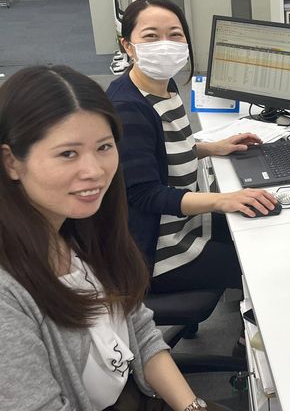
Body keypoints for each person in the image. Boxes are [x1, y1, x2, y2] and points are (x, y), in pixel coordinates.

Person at [0, 66, 221, 410]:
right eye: (68, 153)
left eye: (104, 147)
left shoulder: (84, 229)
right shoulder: (8, 294)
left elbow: (141, 331)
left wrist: (193, 407)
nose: (95, 171)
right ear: (12, 162)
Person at [106, 0, 277, 294]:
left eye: (175, 34)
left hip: (186, 222)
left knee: (262, 230)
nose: (165, 44)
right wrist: (221, 200)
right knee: (261, 267)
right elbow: (145, 194)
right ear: (128, 46)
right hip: (159, 249)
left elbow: (160, 150)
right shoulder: (128, 108)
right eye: (151, 36)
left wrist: (211, 147)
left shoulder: (163, 85)